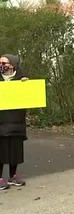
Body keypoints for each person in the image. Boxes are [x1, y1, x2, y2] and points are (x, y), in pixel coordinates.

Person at [0, 54, 28, 189]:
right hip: (1, 122)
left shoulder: (22, 80)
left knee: (14, 151)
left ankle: (13, 176)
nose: (2, 66)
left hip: (17, 122)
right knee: (1, 151)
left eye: (4, 63)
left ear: (13, 65)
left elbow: (30, 96)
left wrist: (26, 84)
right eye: (0, 63)